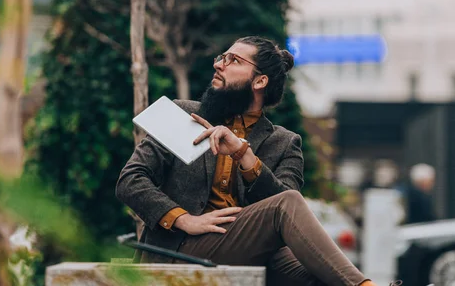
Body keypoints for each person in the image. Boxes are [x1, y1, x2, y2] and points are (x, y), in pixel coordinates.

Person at [116, 36, 381, 286]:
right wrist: (184, 219)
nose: (218, 64)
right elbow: (130, 180)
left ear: (260, 81)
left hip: (249, 251)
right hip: (180, 247)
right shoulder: (184, 115)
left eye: (233, 60)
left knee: (321, 276)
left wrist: (245, 156)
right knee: (288, 206)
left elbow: (284, 212)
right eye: (223, 57)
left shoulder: (285, 143)